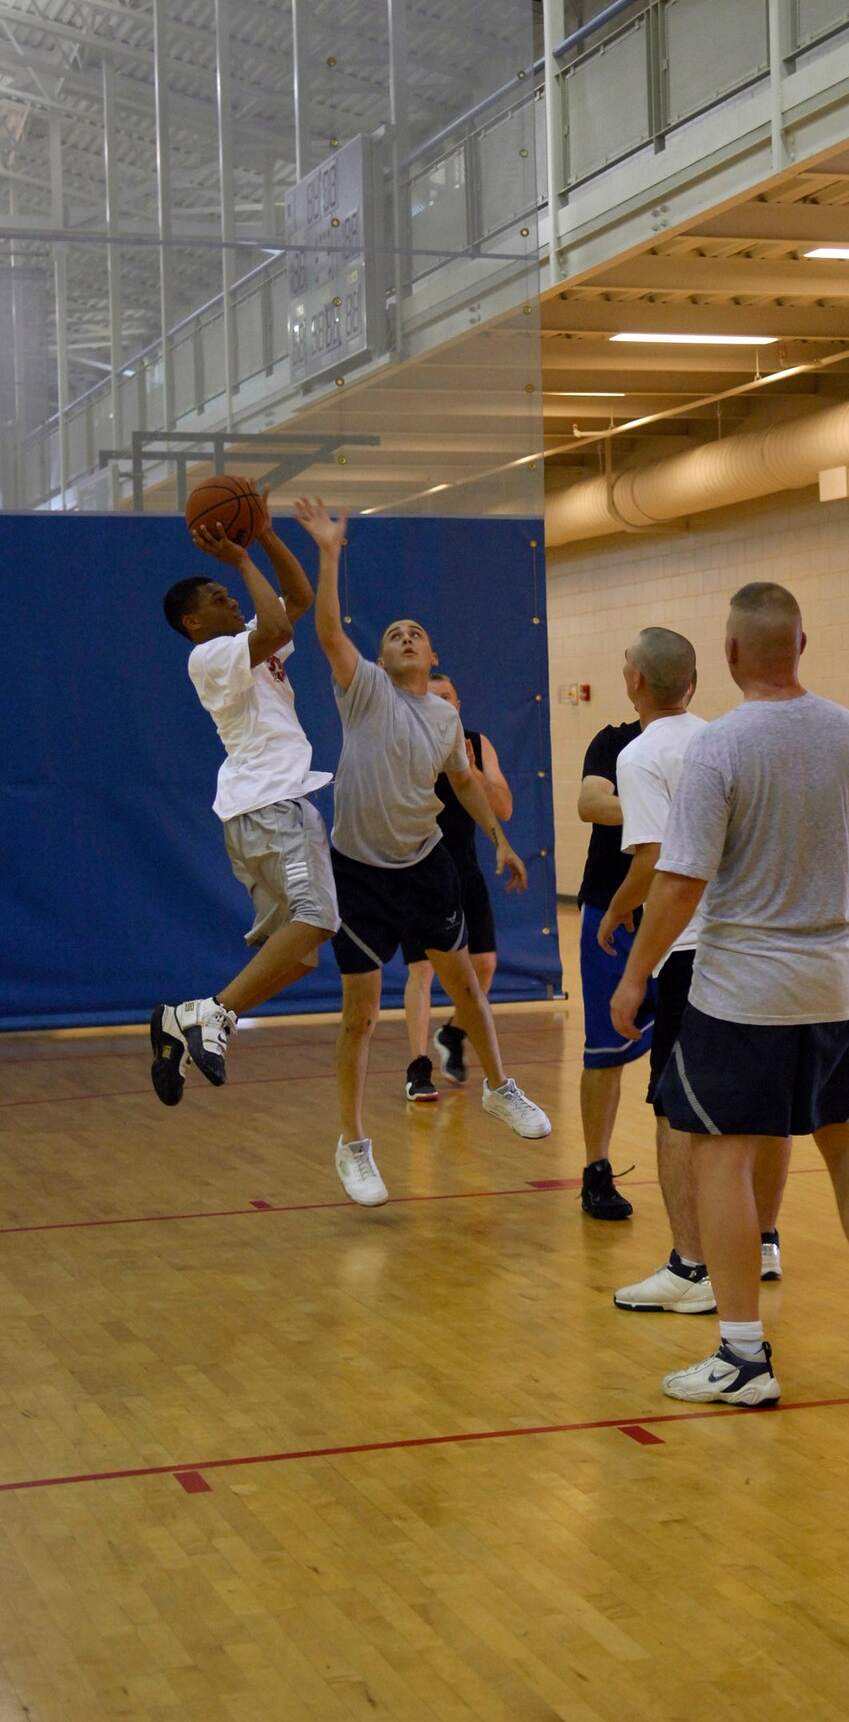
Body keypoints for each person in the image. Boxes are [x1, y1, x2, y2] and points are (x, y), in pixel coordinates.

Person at [610, 581, 849, 1409]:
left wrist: (637, 971)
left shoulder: (723, 745)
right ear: (802, 646)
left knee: (723, 1154)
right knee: (846, 1138)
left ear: (734, 654)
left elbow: (679, 880)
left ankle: (743, 1356)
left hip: (743, 991)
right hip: (834, 984)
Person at [292, 495, 550, 1208]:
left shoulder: (445, 714)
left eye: (417, 634)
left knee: (465, 982)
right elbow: (326, 631)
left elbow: (463, 782)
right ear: (378, 655)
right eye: (396, 632)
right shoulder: (365, 690)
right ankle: (352, 1145)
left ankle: (499, 1088)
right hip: (359, 870)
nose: (406, 636)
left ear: (432, 656)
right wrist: (330, 552)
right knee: (360, 1013)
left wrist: (500, 842)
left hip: (425, 861)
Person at [599, 627, 791, 1316]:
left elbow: (655, 857)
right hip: (758, 947)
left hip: (694, 951)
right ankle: (762, 1241)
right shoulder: (727, 738)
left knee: (677, 1111)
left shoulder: (643, 752)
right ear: (695, 682)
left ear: (636, 683)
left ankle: (690, 1267)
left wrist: (619, 914)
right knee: (764, 1108)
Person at [153, 494, 337, 1104]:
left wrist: (263, 534)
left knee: (302, 952)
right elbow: (282, 623)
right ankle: (213, 1014)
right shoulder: (209, 656)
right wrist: (239, 560)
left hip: (265, 808)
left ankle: (188, 1022)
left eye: (232, 595)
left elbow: (299, 600)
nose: (233, 602)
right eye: (219, 600)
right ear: (193, 622)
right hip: (270, 803)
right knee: (315, 920)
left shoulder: (251, 640)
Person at [402, 673, 513, 1101]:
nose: (439, 705)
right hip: (417, 869)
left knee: (484, 965)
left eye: (446, 697)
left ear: (458, 704)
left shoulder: (476, 743)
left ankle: (452, 1033)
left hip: (464, 868)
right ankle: (417, 1068)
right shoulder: (404, 742)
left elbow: (502, 806)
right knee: (423, 970)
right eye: (431, 698)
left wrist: (472, 770)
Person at [576, 713, 654, 1221]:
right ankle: (596, 1169)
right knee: (605, 1048)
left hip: (687, 910)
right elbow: (591, 804)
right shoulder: (615, 740)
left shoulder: (705, 740)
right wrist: (657, 813)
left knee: (691, 1045)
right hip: (611, 903)